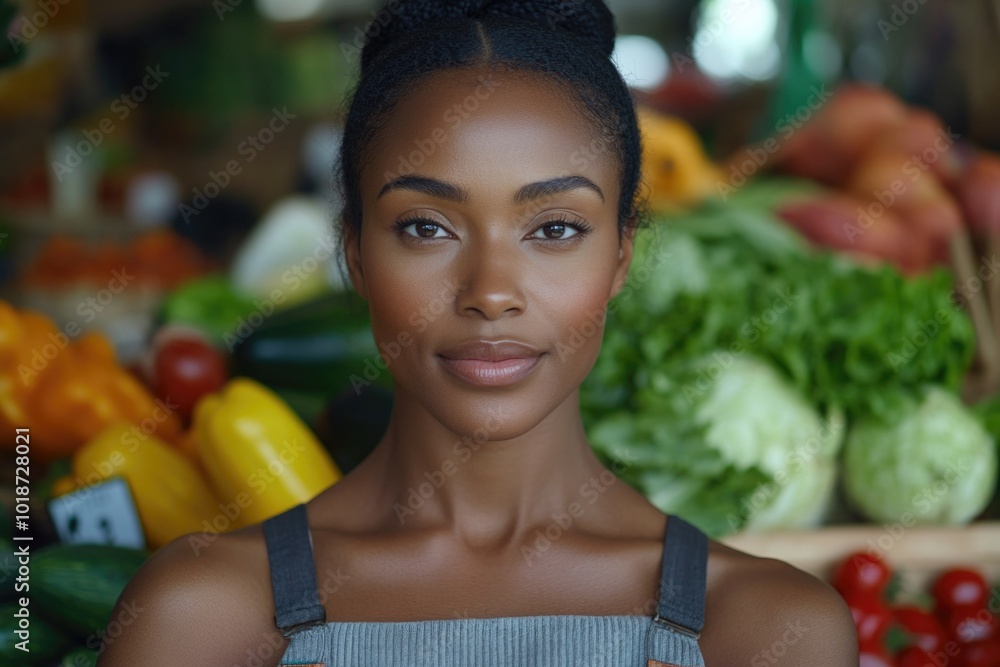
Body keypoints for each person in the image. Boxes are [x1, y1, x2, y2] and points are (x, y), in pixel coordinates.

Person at [98, 1, 858, 665]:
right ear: (355, 252)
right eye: (426, 227)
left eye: (555, 228)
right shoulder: (197, 618)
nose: (491, 292)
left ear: (622, 254)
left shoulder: (766, 628)